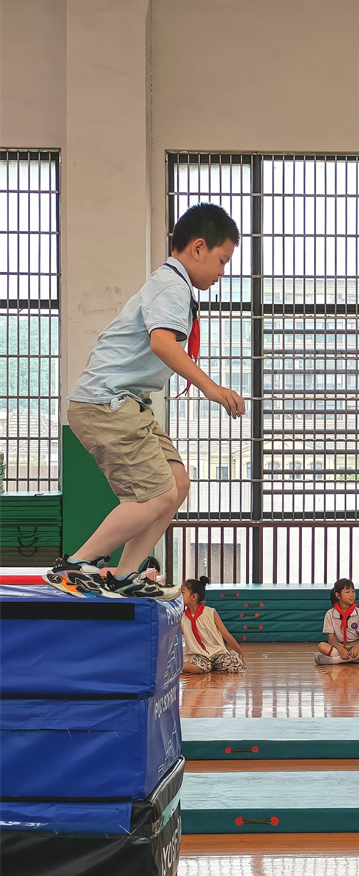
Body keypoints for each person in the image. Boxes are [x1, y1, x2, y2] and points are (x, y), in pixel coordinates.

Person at [46, 203, 246, 600]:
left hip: (129, 403)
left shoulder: (171, 285)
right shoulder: (171, 286)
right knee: (156, 495)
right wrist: (210, 387)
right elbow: (162, 343)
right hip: (106, 404)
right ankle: (74, 566)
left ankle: (124, 575)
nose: (223, 272)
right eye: (222, 260)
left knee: (177, 482)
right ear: (198, 248)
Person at [180, 576, 245, 674]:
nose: (179, 596)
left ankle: (214, 665)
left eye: (182, 593)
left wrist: (240, 652)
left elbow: (225, 633)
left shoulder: (211, 612)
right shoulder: (182, 617)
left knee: (236, 667)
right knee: (199, 668)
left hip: (217, 653)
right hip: (198, 655)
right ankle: (176, 667)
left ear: (194, 597)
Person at [315, 578, 359, 666]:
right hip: (339, 645)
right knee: (321, 646)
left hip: (355, 644)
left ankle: (334, 660)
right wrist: (340, 649)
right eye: (347, 592)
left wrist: (356, 646)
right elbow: (331, 639)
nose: (351, 595)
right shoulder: (330, 614)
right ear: (338, 595)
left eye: (353, 592)